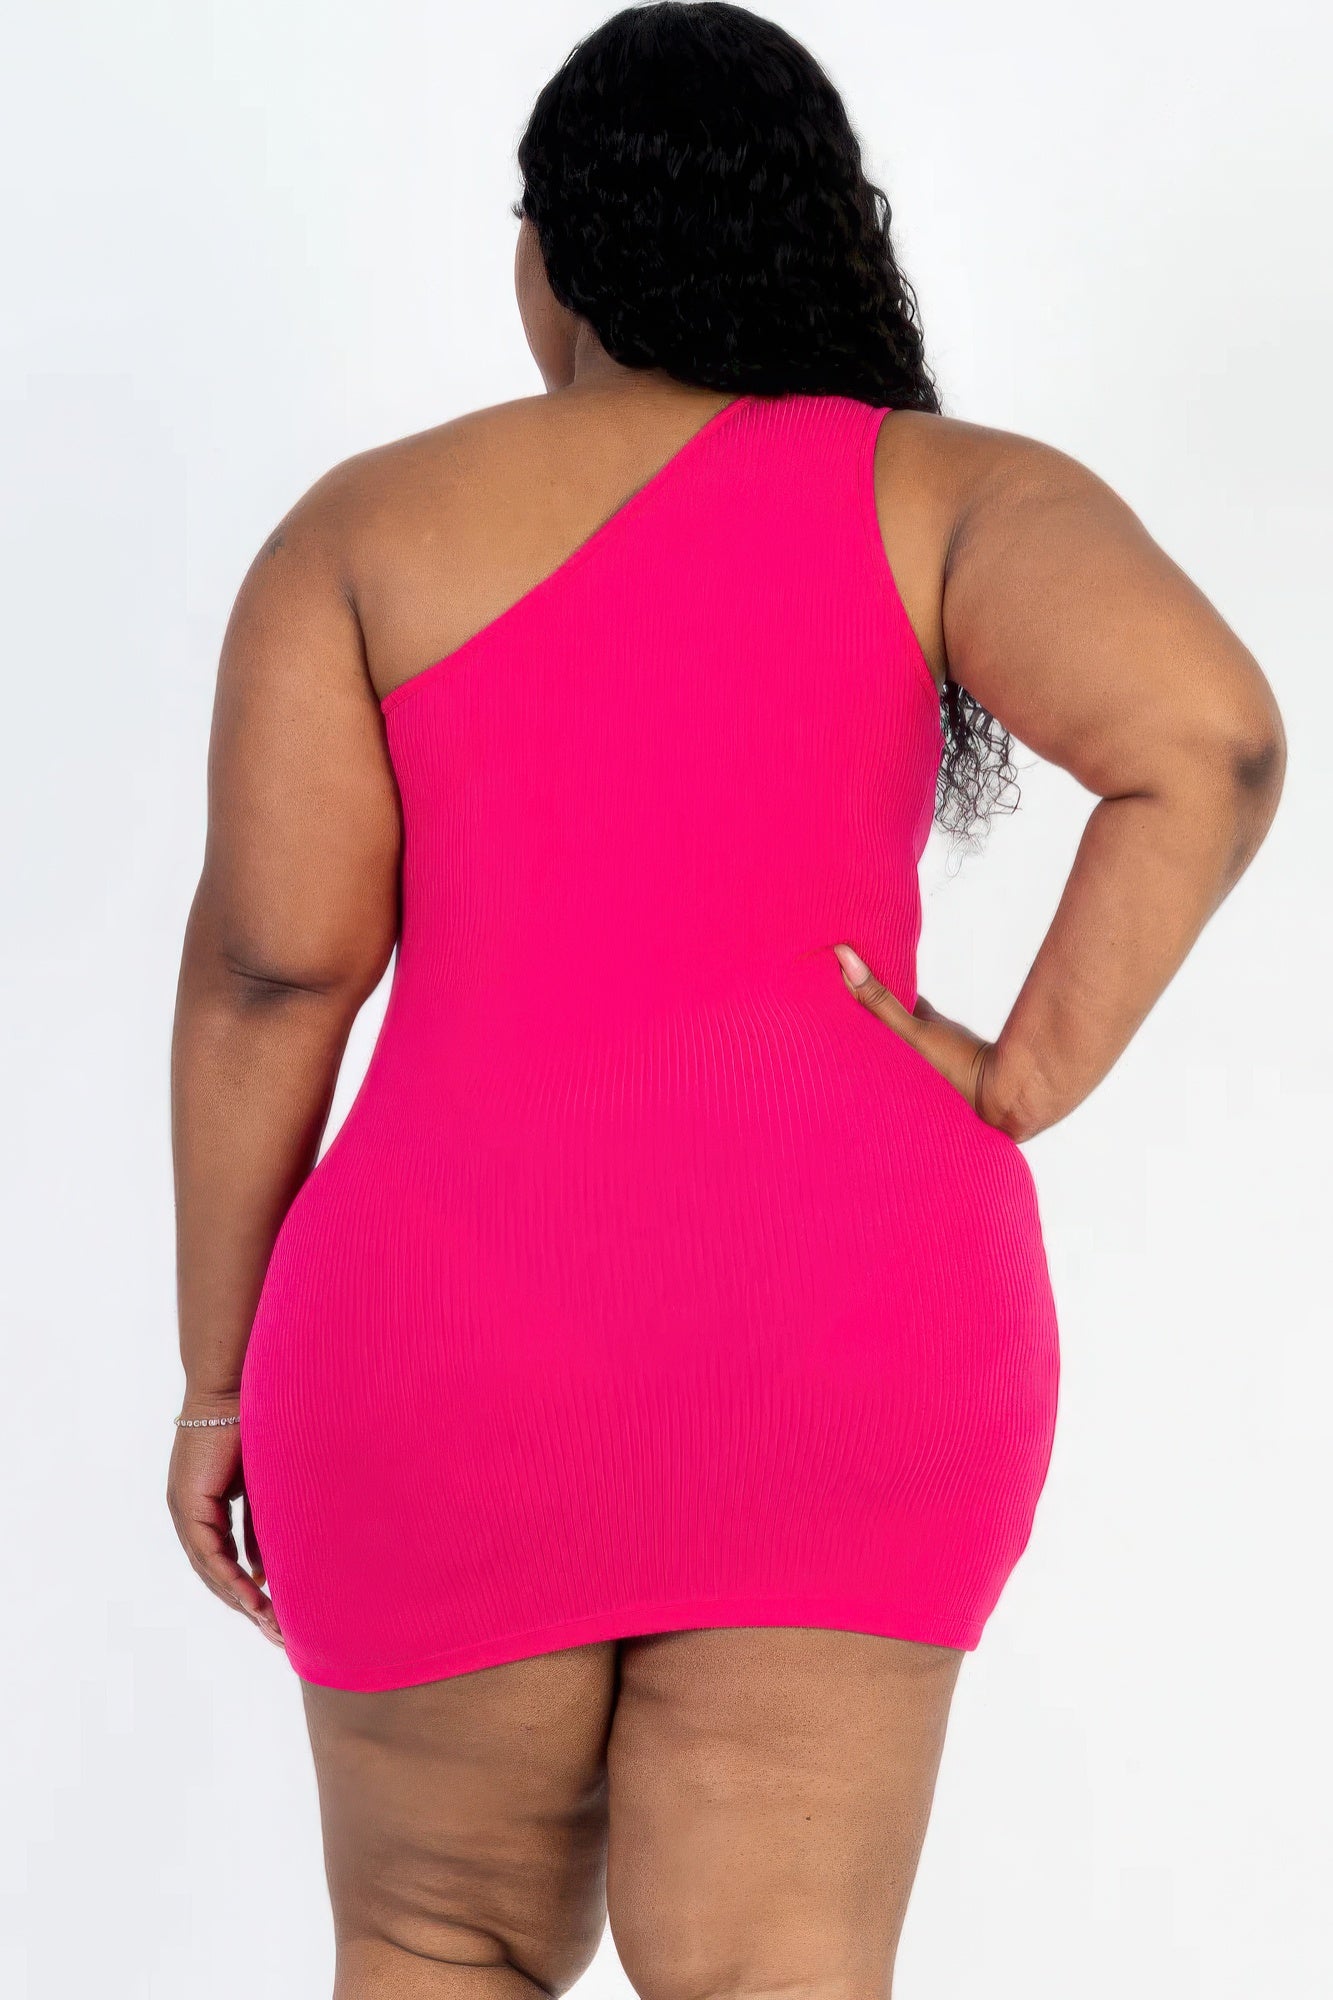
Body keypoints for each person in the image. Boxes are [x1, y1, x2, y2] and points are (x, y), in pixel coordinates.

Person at [167, 4, 1285, 1994]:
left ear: (547, 256)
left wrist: (215, 1381)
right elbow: (1208, 739)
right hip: (846, 1324)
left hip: (446, 1340)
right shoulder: (943, 493)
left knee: (433, 1939)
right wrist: (1023, 1074)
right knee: (781, 1969)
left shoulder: (362, 531)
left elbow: (275, 974)